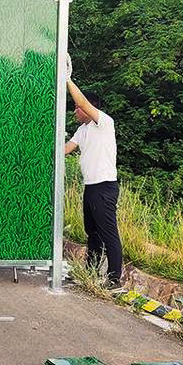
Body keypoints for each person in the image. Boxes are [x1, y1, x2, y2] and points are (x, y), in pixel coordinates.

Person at [64, 59, 123, 287]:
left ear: (88, 108)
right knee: (93, 233)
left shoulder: (104, 122)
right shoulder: (83, 130)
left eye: (77, 108)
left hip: (105, 187)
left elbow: (81, 101)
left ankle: (114, 280)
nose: (75, 111)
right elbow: (65, 149)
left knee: (108, 233)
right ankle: (90, 272)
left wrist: (67, 79)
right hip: (90, 187)